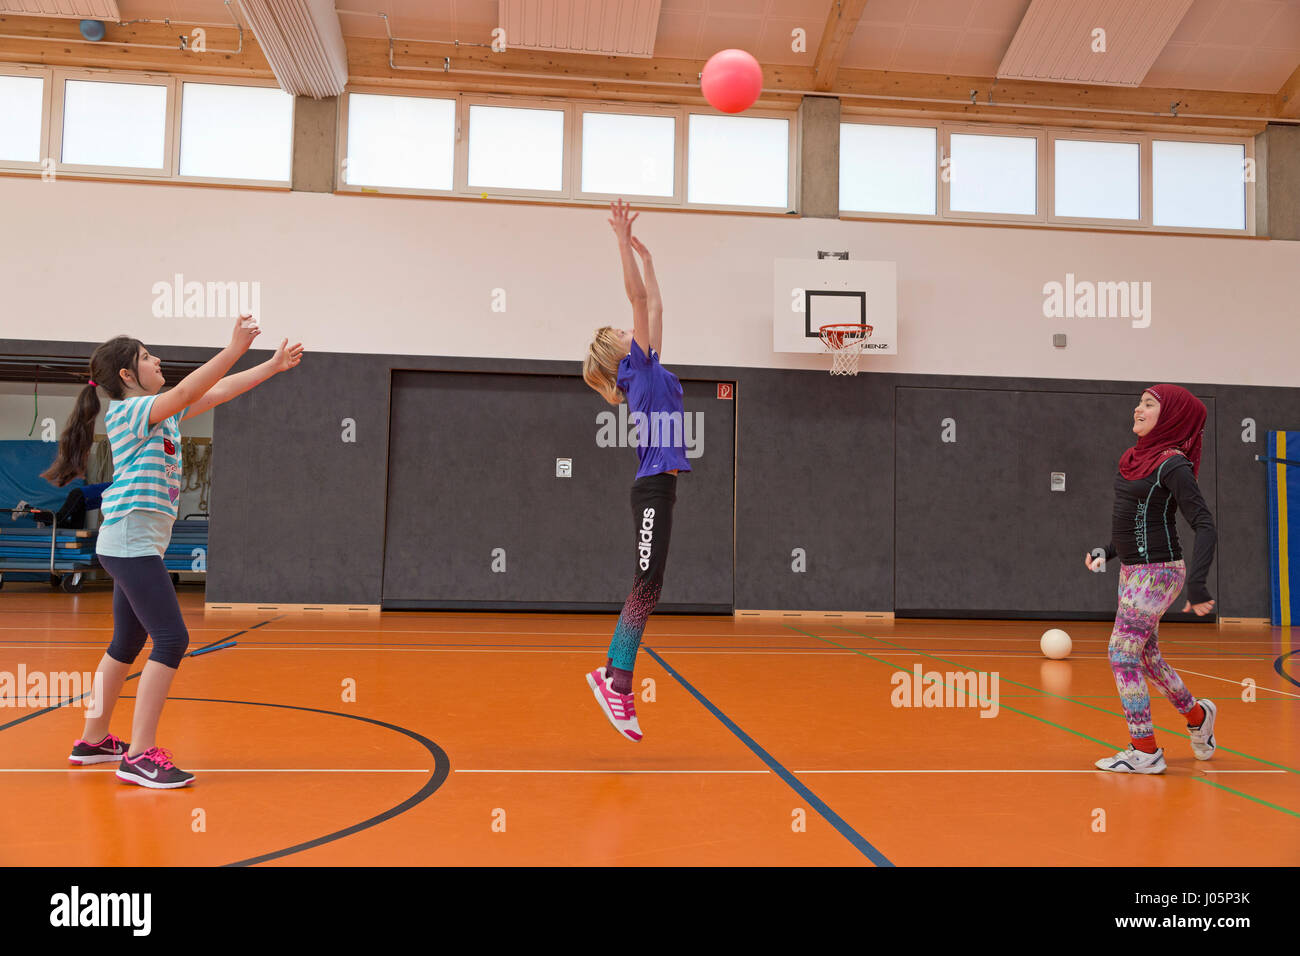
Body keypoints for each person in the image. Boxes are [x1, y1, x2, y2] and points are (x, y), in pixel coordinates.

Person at [43, 317, 303, 788]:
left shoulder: (159, 413)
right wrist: (232, 348)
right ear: (126, 375)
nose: (156, 360)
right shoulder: (129, 412)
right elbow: (186, 393)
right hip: (130, 542)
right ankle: (139, 756)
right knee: (172, 639)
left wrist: (270, 366)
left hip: (134, 543)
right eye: (146, 356)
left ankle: (93, 742)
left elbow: (215, 393)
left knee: (126, 643)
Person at [580, 200, 690, 742]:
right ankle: (616, 680)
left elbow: (656, 304)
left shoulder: (653, 370)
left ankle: (615, 677)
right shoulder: (636, 371)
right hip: (651, 489)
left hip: (662, 489)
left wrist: (648, 257)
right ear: (617, 352)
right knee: (646, 582)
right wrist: (621, 242)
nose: (634, 329)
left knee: (653, 582)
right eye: (624, 331)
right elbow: (640, 301)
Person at [1086, 384, 1218, 773]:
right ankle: (1197, 717)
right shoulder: (1134, 457)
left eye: (1148, 405)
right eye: (1140, 403)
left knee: (1121, 652)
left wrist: (1197, 584)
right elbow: (1134, 516)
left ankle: (1144, 750)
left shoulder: (1173, 464)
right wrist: (1106, 551)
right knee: (1145, 655)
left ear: (1172, 417)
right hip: (1131, 571)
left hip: (1159, 573)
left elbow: (1205, 524)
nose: (1137, 410)